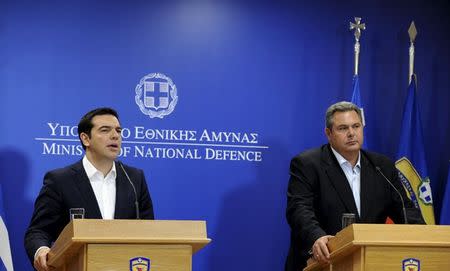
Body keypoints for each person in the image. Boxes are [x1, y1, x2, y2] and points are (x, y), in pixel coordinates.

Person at [285, 101, 424, 271]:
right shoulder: (308, 164)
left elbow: (405, 210)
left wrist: (424, 236)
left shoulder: (382, 166)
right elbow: (299, 209)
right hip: (322, 262)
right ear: (328, 134)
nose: (351, 133)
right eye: (343, 128)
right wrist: (317, 238)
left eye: (356, 126)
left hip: (370, 263)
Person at [24, 107, 154, 271]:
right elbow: (38, 231)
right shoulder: (60, 180)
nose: (115, 135)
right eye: (105, 130)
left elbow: (149, 230)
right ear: (86, 139)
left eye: (118, 130)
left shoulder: (135, 179)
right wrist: (41, 250)